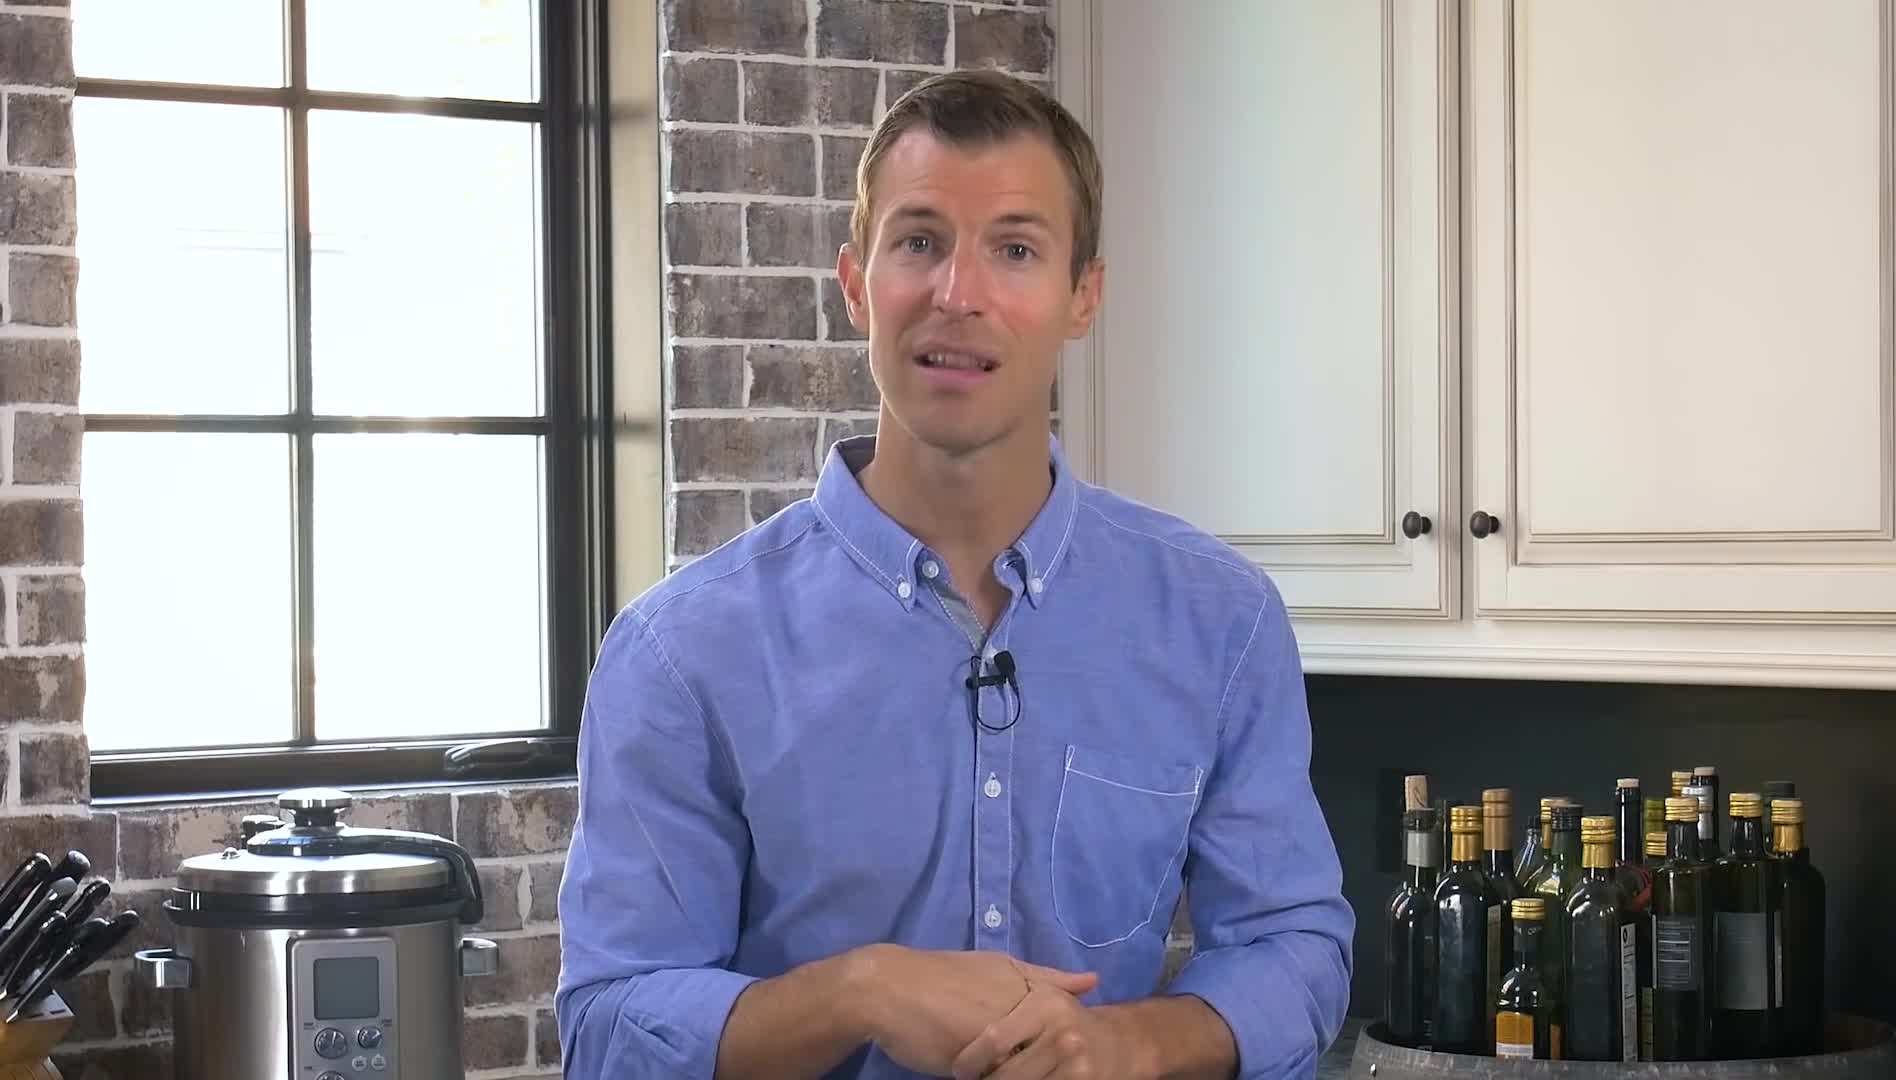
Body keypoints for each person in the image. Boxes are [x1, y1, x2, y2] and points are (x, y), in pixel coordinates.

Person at [555, 68, 1354, 1079]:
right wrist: (865, 989)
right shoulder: (678, 655)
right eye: (920, 241)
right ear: (857, 284)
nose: (959, 294)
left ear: (1083, 296)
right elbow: (610, 1022)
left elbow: (1295, 951)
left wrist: (1122, 1047)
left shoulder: (1220, 624)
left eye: (1015, 250)